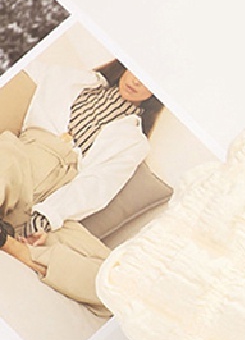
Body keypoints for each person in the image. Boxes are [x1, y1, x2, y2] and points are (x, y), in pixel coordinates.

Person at [0, 59, 162, 314]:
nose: (136, 81)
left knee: (116, 279)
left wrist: (47, 217)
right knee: (6, 153)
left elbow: (97, 186)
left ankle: (21, 249)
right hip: (26, 161)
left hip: (57, 200)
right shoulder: (74, 79)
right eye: (136, 69)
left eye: (149, 82)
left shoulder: (135, 143)